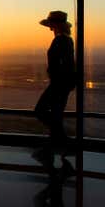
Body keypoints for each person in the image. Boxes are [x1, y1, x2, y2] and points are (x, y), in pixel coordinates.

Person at [34, 11, 76, 161]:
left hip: (59, 83)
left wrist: (56, 77)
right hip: (62, 83)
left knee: (40, 110)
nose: (50, 29)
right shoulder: (66, 40)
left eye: (51, 25)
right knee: (56, 114)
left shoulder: (60, 41)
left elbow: (63, 64)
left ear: (56, 25)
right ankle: (57, 143)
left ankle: (62, 141)